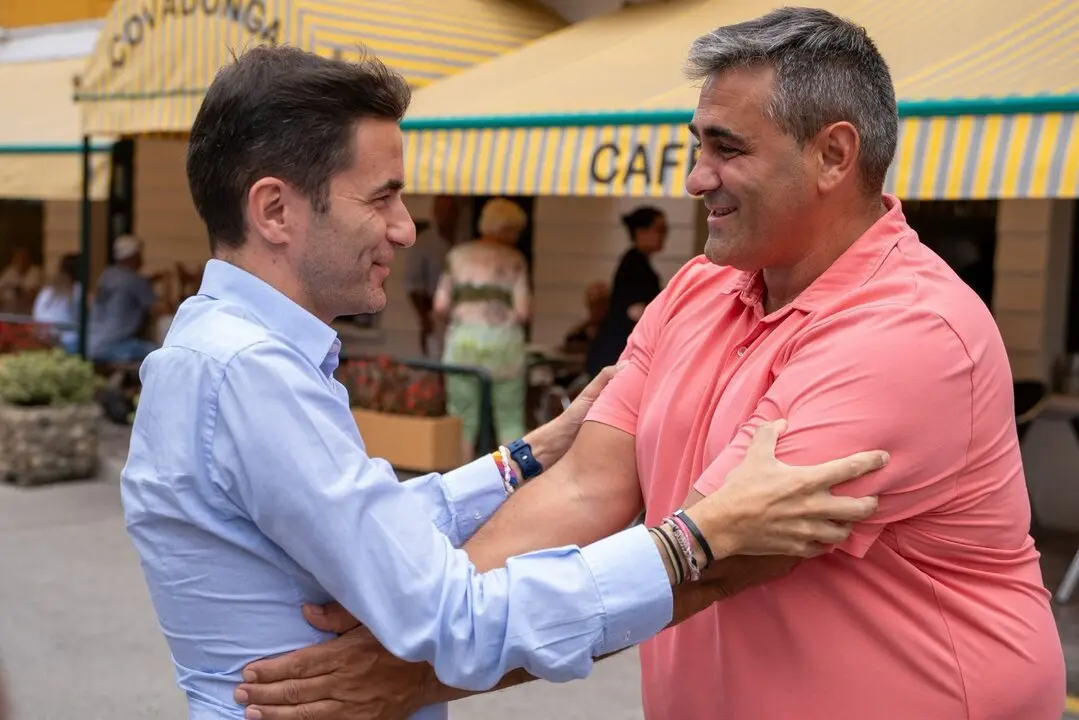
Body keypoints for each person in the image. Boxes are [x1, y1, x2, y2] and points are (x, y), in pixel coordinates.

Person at [235, 8, 1066, 720]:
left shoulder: (907, 331)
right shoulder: (702, 287)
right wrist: (420, 617)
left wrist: (412, 667)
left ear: (833, 155)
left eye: (725, 148)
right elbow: (586, 486)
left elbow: (715, 559)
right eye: (695, 144)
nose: (696, 178)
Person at [120, 45, 885, 720]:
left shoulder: (219, 350)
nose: (405, 228)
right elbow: (455, 618)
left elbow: (367, 520)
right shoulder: (250, 372)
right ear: (275, 210)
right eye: (382, 196)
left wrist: (527, 454)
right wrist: (694, 541)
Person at [434, 197, 531, 458]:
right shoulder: (515, 260)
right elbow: (523, 312)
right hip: (505, 345)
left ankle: (460, 478)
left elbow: (440, 306)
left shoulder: (457, 256)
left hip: (463, 343)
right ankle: (516, 478)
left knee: (462, 420)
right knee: (509, 418)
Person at [586, 206, 667, 376]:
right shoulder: (634, 265)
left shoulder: (638, 262)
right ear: (640, 232)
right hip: (616, 350)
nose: (664, 235)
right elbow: (635, 310)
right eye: (659, 229)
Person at [87, 235, 161, 363]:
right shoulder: (135, 280)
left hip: (91, 343)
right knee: (159, 352)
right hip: (115, 345)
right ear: (133, 256)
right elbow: (159, 308)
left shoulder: (106, 275)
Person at [404, 195, 459, 357]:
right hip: (434, 315)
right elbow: (414, 283)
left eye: (450, 211)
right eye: (442, 211)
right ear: (434, 213)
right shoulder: (425, 242)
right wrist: (424, 318)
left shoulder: (463, 240)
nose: (446, 216)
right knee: (436, 360)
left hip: (462, 317)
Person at [31, 253, 81, 353]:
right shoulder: (78, 290)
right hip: (66, 343)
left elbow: (36, 315)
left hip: (44, 339)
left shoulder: (47, 290)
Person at [0, 246, 43, 315]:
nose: (20, 261)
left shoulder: (36, 272)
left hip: (27, 314)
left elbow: (33, 294)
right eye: (17, 258)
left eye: (23, 257)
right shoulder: (9, 272)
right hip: (8, 313)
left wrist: (20, 291)